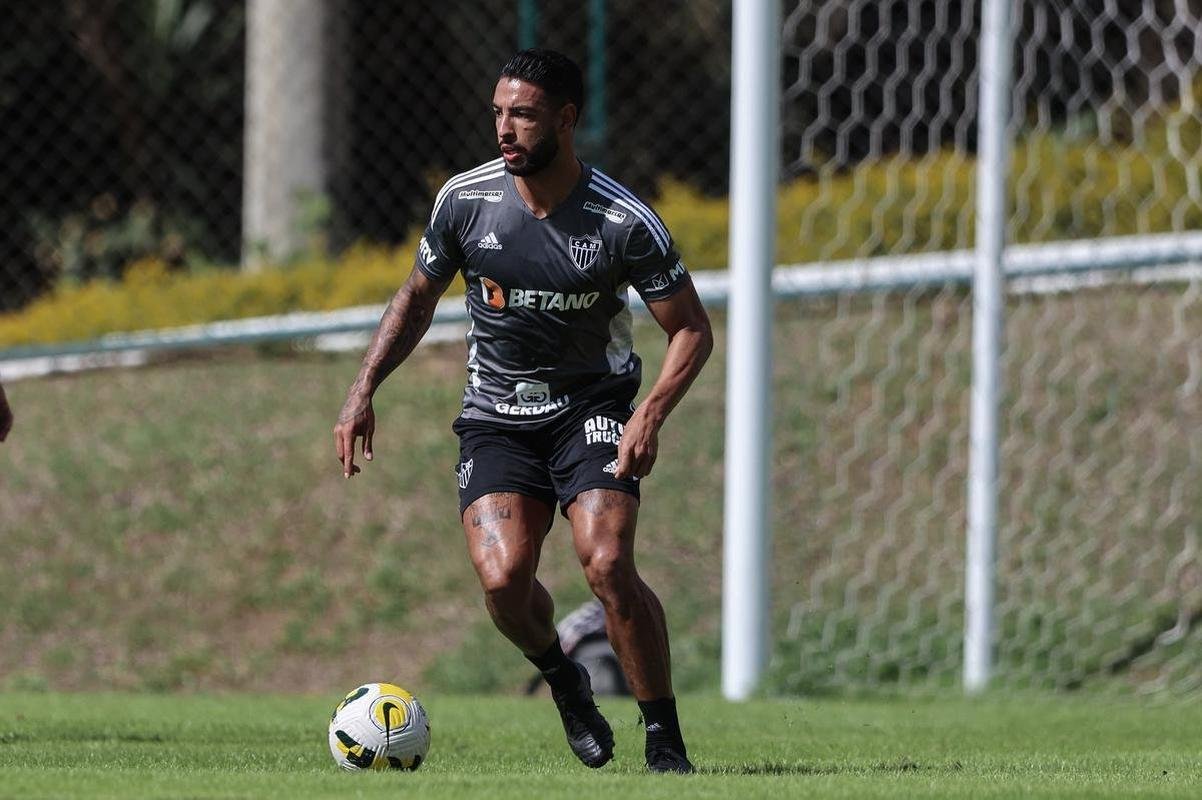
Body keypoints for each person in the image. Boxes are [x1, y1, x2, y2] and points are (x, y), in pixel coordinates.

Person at [334, 48, 712, 774]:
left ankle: (664, 739)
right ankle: (567, 681)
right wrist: (363, 388)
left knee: (606, 562)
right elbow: (416, 297)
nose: (506, 129)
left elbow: (692, 328)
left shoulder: (622, 221)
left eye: (525, 114)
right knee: (505, 584)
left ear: (566, 120)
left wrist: (651, 413)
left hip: (591, 410)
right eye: (499, 113)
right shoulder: (466, 202)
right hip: (496, 416)